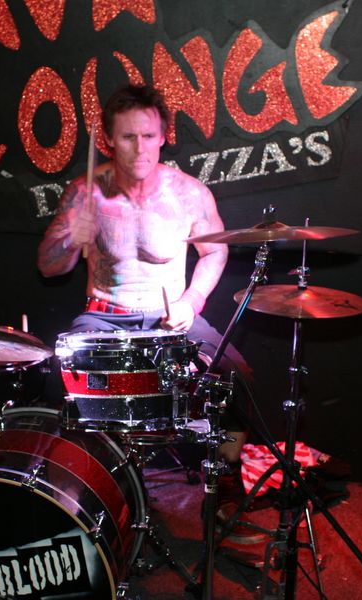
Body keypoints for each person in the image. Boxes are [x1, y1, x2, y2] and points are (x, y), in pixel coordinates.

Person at [37, 84, 261, 543]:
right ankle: (81, 492)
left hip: (169, 318)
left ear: (163, 136)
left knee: (237, 377)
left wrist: (191, 301)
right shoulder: (85, 191)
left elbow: (215, 252)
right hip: (104, 314)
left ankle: (225, 489)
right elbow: (48, 266)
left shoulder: (189, 194)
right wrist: (71, 238)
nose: (140, 148)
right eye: (127, 137)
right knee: (58, 380)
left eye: (148, 136)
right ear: (108, 139)